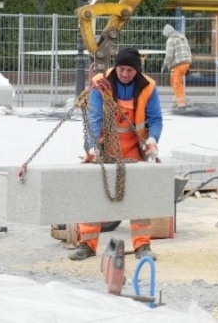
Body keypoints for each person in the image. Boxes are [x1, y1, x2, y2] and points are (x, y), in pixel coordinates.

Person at [70, 47, 164, 261]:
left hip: (133, 151)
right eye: (121, 69)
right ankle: (87, 244)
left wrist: (152, 140)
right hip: (105, 150)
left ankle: (142, 246)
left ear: (137, 71)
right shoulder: (101, 84)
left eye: (129, 70)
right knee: (93, 195)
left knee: (138, 198)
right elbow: (94, 118)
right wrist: (93, 148)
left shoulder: (148, 87)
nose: (124, 74)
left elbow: (156, 119)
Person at [161, 24, 192, 109]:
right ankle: (176, 101)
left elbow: (169, 56)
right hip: (187, 63)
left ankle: (181, 105)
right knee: (176, 82)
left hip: (179, 64)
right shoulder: (183, 38)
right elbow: (189, 51)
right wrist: (189, 63)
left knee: (176, 84)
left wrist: (164, 65)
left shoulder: (171, 40)